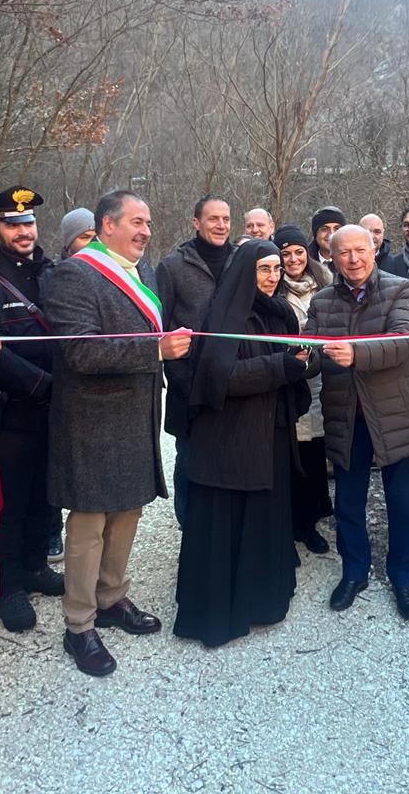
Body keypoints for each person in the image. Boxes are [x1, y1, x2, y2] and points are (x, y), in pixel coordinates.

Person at [45, 190, 191, 676]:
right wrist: (157, 353)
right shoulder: (74, 274)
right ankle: (79, 624)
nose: (146, 231)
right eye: (136, 221)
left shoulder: (143, 271)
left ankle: (111, 599)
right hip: (92, 420)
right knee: (89, 525)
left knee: (128, 512)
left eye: (148, 222)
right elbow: (81, 351)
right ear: (107, 225)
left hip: (135, 416)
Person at [174, 240, 309, 647]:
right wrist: (282, 367)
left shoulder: (281, 313)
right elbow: (222, 378)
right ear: (243, 272)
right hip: (229, 440)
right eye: (263, 269)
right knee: (227, 523)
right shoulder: (222, 314)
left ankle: (261, 601)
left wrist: (307, 362)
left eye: (276, 270)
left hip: (271, 434)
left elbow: (297, 361)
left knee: (264, 519)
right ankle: (219, 614)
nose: (271, 277)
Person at [305, 225, 409, 620]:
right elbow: (311, 348)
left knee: (403, 501)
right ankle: (354, 570)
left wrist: (356, 356)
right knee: (348, 499)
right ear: (332, 256)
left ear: (374, 249)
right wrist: (301, 358)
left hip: (397, 415)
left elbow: (408, 339)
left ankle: (403, 575)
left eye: (361, 250)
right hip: (346, 415)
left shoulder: (400, 289)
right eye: (344, 253)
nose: (354, 259)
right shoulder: (323, 300)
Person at [0, 187, 62, 632]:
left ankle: (36, 567)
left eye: (29, 223)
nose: (24, 232)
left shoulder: (54, 275)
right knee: (9, 503)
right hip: (9, 416)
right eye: (13, 225)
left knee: (46, 496)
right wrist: (45, 384)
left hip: (54, 411)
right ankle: (7, 586)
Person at [155, 195, 235, 528]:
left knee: (229, 463)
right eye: (213, 219)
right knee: (189, 463)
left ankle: (224, 533)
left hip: (235, 382)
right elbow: (161, 327)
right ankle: (190, 532)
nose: (221, 225)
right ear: (196, 223)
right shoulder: (172, 266)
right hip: (188, 386)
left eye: (226, 219)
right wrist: (181, 377)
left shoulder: (241, 261)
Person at [273, 224, 333, 554]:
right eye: (285, 253)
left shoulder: (324, 283)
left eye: (298, 251)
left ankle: (310, 522)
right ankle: (289, 523)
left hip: (322, 381)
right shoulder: (271, 287)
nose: (293, 259)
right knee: (290, 455)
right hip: (287, 381)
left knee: (314, 456)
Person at [45, 207, 96, 564]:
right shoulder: (62, 277)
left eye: (95, 237)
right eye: (84, 238)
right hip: (43, 389)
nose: (91, 244)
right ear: (68, 244)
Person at [307, 206, 346, 275]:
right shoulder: (304, 263)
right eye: (324, 229)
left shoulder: (353, 261)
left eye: (336, 228)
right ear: (315, 233)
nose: (331, 234)